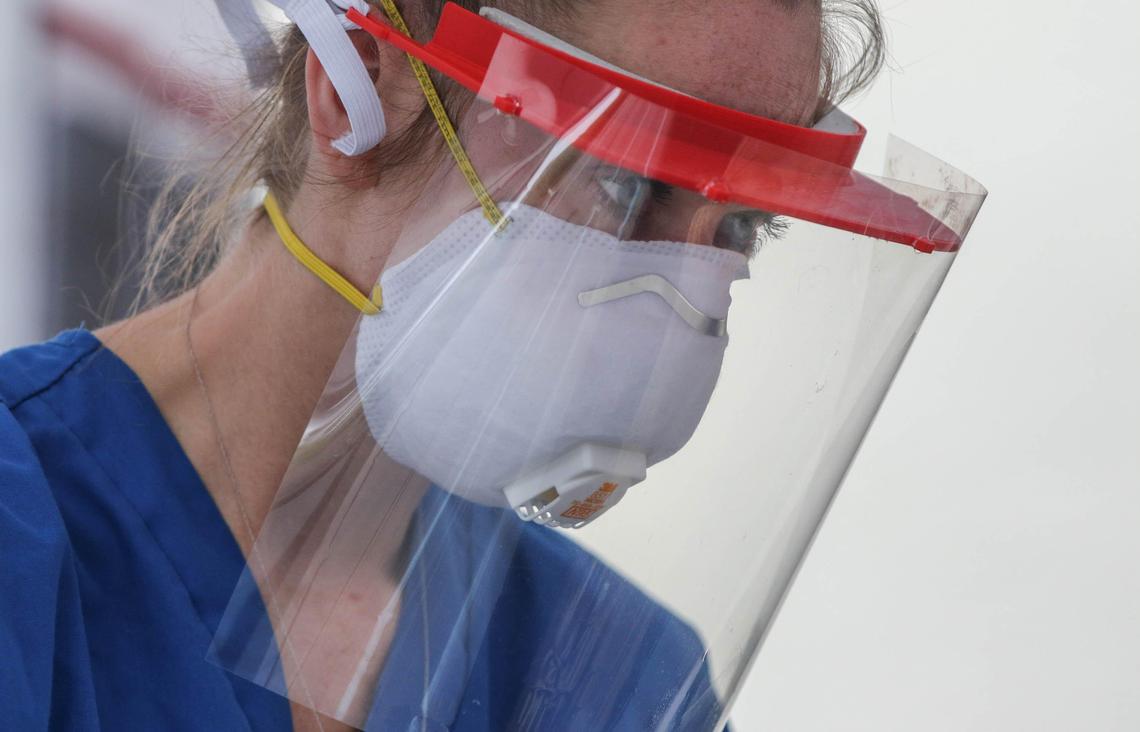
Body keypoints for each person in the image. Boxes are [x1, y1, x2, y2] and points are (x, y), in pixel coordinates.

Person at [1, 0, 985, 730]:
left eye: (741, 227)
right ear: (368, 89)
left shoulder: (616, 679)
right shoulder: (26, 537)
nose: (686, 295)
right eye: (627, 180)